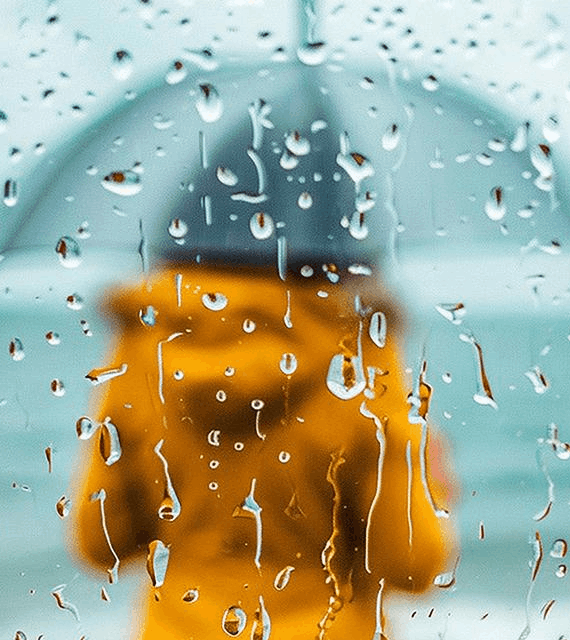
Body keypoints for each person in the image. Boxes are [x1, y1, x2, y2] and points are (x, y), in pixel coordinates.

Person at [67, 261, 455, 639]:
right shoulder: (359, 348)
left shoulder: (147, 343)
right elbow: (410, 566)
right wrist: (416, 462)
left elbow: (101, 544)